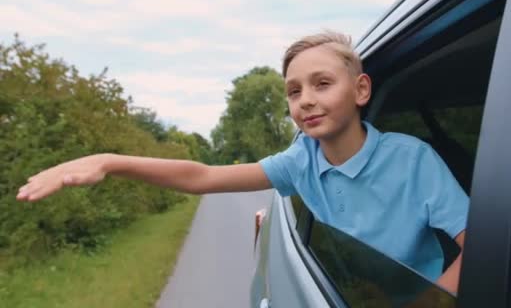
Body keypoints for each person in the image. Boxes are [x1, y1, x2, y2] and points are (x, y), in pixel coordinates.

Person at [16, 31, 468, 294]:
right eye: (294, 91)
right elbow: (202, 176)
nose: (306, 100)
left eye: (322, 83)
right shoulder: (300, 160)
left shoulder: (413, 160)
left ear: (361, 91)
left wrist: (429, 304)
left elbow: (478, 245)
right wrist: (109, 160)